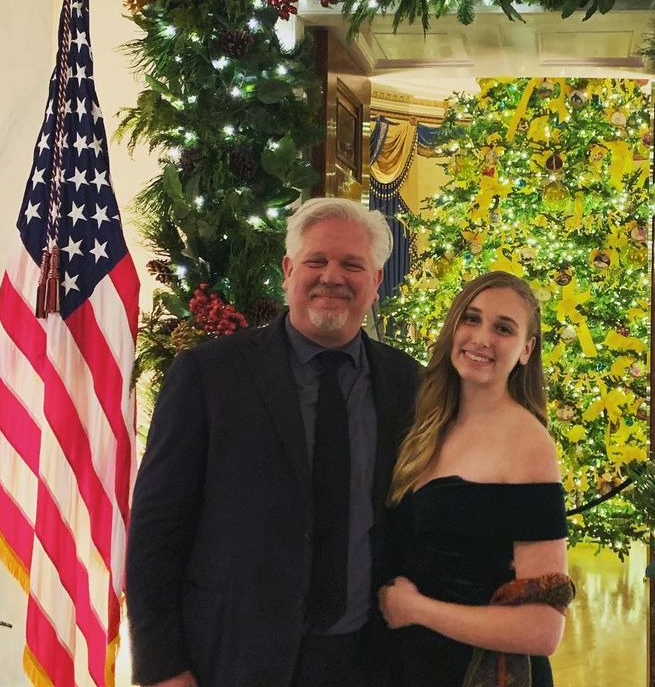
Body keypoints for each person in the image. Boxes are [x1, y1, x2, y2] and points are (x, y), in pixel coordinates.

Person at [125, 198, 421, 687]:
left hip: (368, 661)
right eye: (316, 261)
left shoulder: (410, 384)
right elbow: (158, 531)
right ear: (288, 271)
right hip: (233, 660)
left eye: (352, 264)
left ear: (375, 280)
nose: (333, 276)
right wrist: (162, 667)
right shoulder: (209, 375)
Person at [378, 272, 573, 687]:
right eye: (471, 319)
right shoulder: (426, 422)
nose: (482, 338)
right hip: (413, 664)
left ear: (526, 350)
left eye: (503, 328)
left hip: (481, 672)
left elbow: (541, 630)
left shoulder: (527, 444)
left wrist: (415, 610)